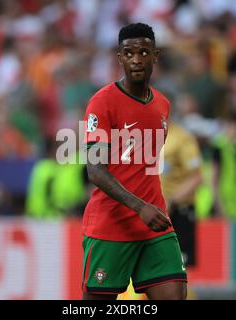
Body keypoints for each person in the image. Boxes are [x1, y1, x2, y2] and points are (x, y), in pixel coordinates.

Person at [81, 23, 186, 300]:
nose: (136, 59)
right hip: (111, 225)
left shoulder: (162, 105)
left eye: (143, 52)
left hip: (155, 224)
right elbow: (95, 170)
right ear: (119, 58)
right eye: (129, 53)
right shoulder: (102, 103)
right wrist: (140, 207)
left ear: (155, 55)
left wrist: (148, 209)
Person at [160, 121, 203, 267]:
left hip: (178, 212)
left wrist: (172, 201)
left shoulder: (182, 138)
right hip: (154, 212)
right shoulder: (145, 136)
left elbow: (196, 177)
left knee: (181, 266)